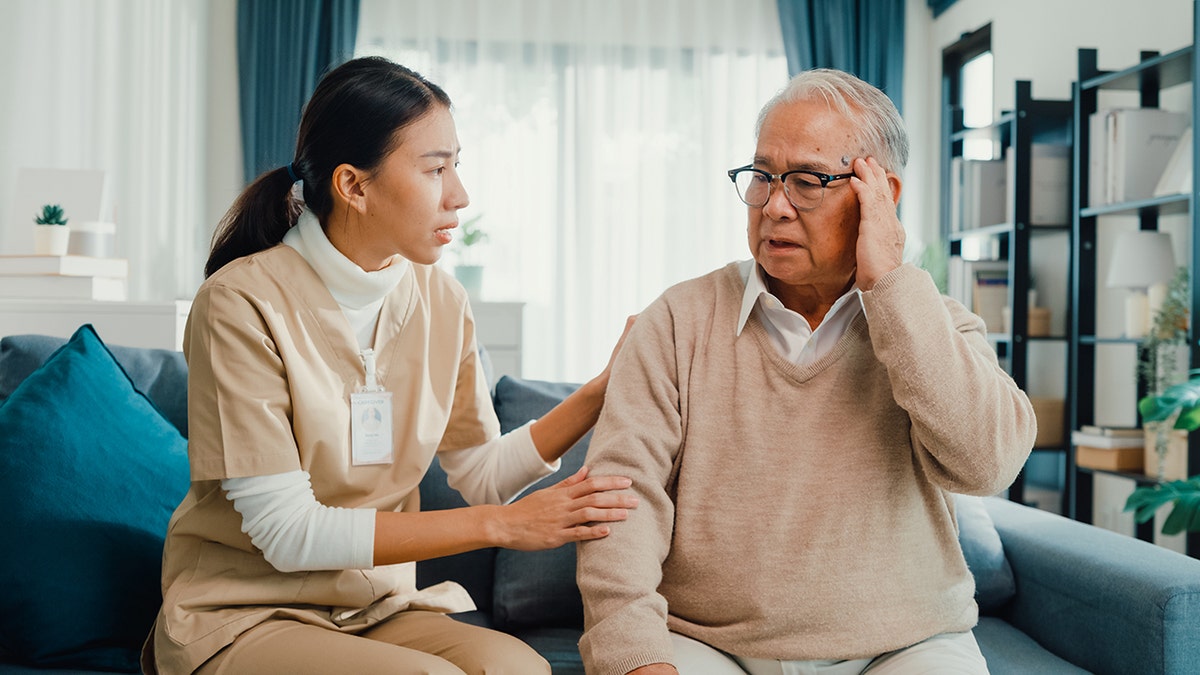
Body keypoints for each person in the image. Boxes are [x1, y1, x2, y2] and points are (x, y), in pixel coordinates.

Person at [144, 56, 637, 675]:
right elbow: (286, 532)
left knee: (521, 670)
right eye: (435, 169)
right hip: (244, 614)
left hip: (372, 607)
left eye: (457, 164)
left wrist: (601, 390)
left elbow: (479, 472)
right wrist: (501, 527)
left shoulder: (441, 300)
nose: (460, 194)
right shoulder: (240, 303)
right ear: (353, 186)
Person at [576, 68, 1036, 675]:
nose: (774, 206)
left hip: (909, 643)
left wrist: (892, 285)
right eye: (762, 177)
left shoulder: (937, 325)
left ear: (880, 195)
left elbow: (986, 463)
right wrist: (635, 657)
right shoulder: (675, 321)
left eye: (808, 181)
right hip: (705, 643)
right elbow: (620, 502)